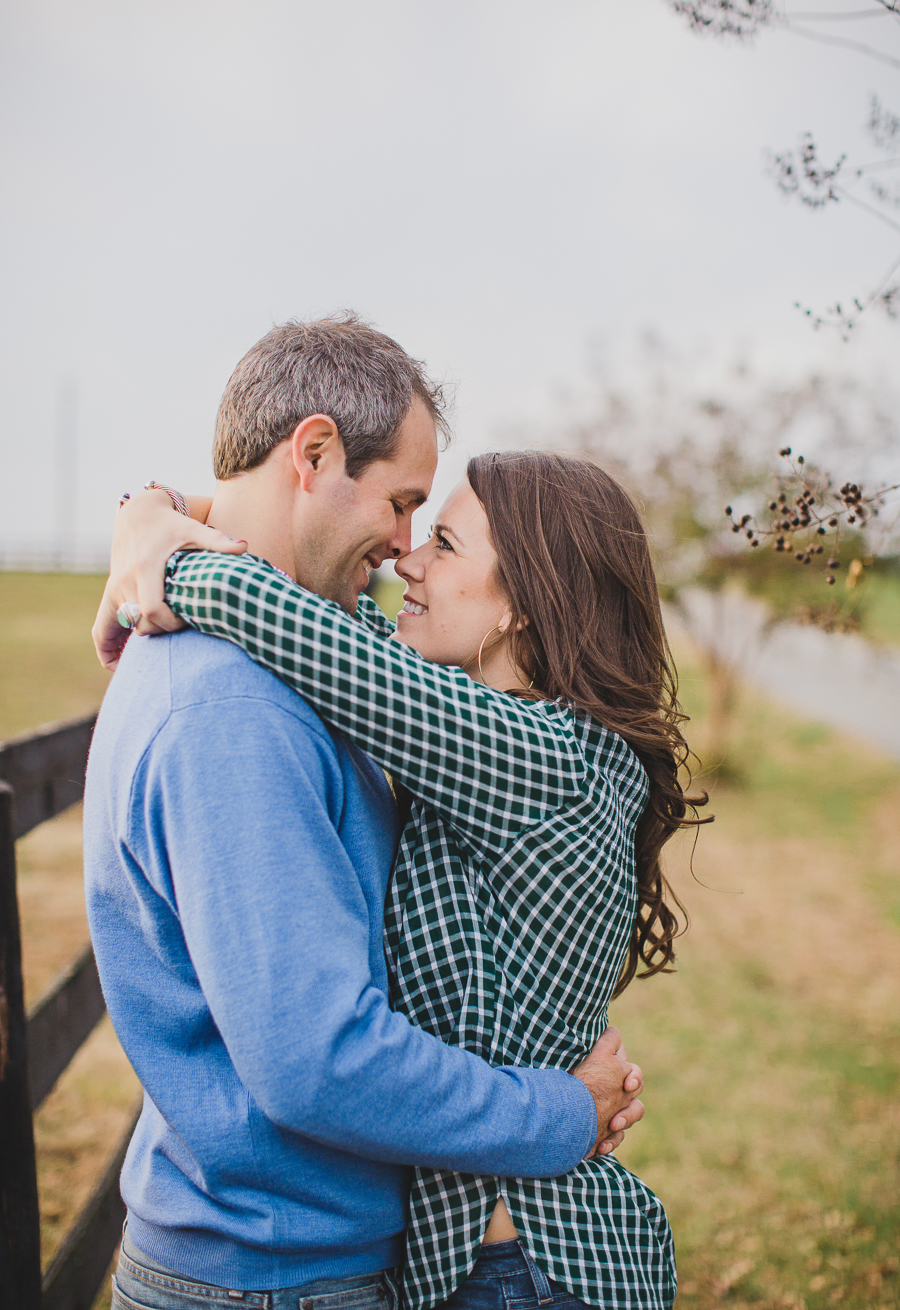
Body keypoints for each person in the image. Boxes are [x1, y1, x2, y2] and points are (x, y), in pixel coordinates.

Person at [84, 317, 647, 1310]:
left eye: (434, 530)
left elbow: (331, 644)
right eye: (401, 507)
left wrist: (161, 528)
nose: (401, 551)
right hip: (270, 1270)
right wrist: (156, 526)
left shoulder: (438, 711)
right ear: (313, 453)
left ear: (524, 601)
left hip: (338, 1258)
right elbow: (315, 1060)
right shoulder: (231, 705)